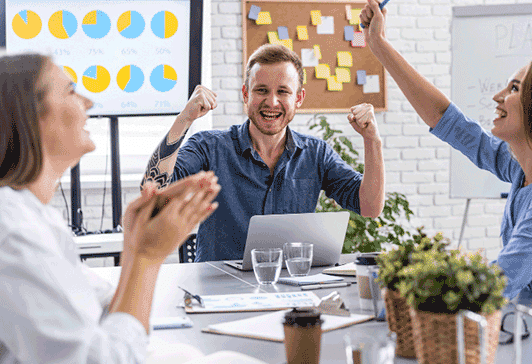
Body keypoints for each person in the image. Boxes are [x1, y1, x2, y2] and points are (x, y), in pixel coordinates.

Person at [0, 52, 221, 364]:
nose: (88, 101)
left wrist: (136, 245)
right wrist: (148, 257)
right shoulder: (3, 225)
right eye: (71, 91)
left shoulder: (27, 217)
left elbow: (104, 308)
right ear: (32, 116)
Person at [360, 0, 532, 317]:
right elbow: (448, 120)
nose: (497, 96)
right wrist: (377, 44)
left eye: (514, 88)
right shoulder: (522, 168)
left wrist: (415, 292)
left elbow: (502, 279)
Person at [141, 43, 385, 262]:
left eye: (282, 91)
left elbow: (370, 207)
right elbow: (153, 189)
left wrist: (372, 140)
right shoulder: (209, 147)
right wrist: (184, 119)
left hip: (290, 291)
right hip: (218, 293)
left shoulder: (317, 154)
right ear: (246, 95)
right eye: (261, 90)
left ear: (299, 98)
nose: (272, 102)